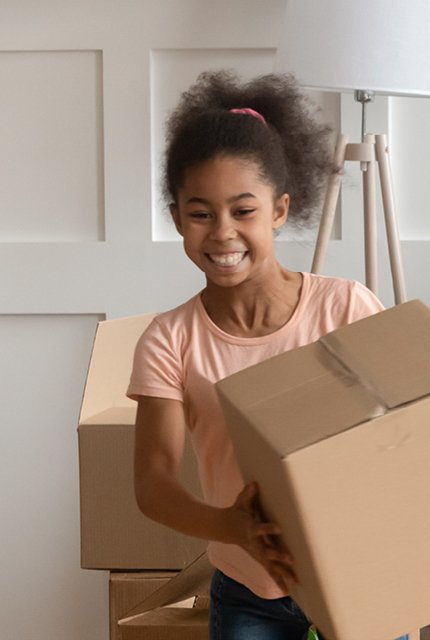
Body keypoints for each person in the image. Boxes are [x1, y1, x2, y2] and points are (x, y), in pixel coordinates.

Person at [128, 71, 396, 640]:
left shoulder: (347, 308)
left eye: (243, 211)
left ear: (279, 210)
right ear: (177, 218)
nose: (222, 233)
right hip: (249, 594)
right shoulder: (169, 339)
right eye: (200, 214)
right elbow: (153, 484)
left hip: (357, 578)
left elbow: (404, 436)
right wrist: (231, 526)